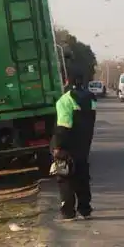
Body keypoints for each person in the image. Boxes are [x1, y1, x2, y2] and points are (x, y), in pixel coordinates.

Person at [51, 72, 97, 221]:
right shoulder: (91, 98)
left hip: (68, 145)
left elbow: (63, 126)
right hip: (84, 143)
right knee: (82, 175)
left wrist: (58, 146)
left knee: (65, 177)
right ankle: (85, 209)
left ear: (66, 81)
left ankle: (68, 211)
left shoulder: (65, 100)